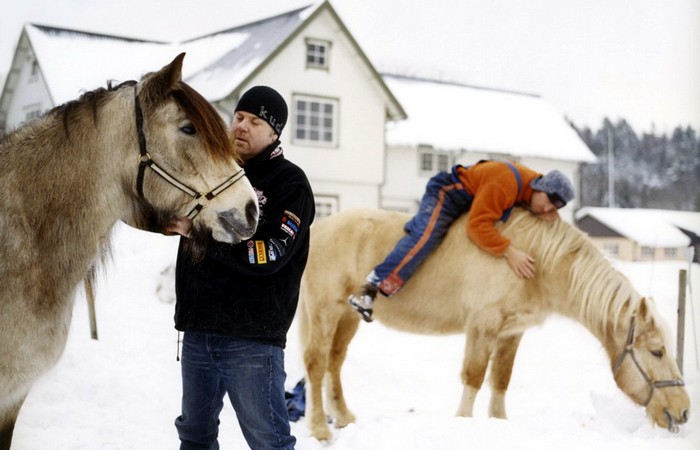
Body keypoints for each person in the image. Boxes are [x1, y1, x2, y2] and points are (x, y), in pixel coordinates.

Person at [173, 86, 315, 450]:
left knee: (269, 442)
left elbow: (269, 254)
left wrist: (200, 234)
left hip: (252, 339)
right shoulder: (211, 173)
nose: (242, 126)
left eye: (255, 121)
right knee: (194, 436)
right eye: (238, 117)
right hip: (199, 332)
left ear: (274, 133)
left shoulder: (291, 184)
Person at [348, 160, 574, 322]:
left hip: (470, 200)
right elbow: (476, 226)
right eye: (547, 202)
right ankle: (371, 288)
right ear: (540, 187)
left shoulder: (531, 189)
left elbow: (537, 209)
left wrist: (548, 217)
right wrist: (508, 251)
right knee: (425, 237)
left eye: (553, 208)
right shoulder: (504, 184)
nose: (546, 209)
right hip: (447, 194)